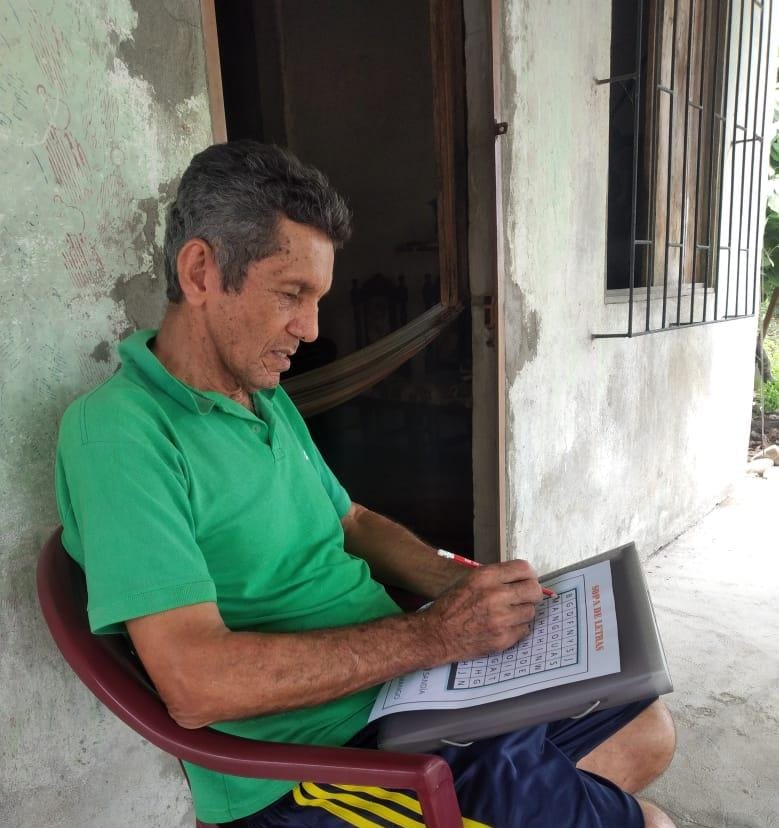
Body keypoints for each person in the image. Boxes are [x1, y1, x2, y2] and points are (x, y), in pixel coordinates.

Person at [55, 141, 676, 828]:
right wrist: (435, 637)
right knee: (648, 823)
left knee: (645, 724)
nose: (311, 329)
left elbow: (348, 519)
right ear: (201, 271)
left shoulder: (260, 395)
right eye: (291, 294)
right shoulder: (118, 435)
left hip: (408, 690)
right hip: (319, 762)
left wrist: (455, 584)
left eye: (316, 299)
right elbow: (194, 684)